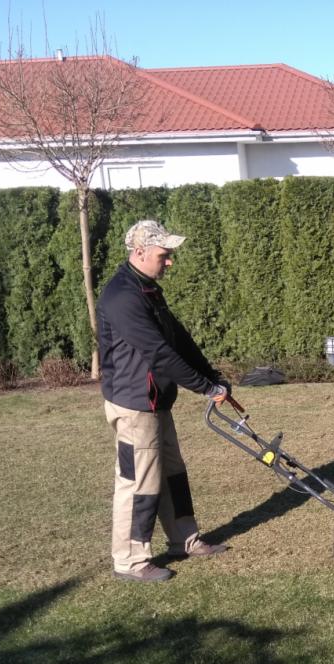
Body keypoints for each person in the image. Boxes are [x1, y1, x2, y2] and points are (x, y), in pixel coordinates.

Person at [97, 219, 231, 582]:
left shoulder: (147, 289)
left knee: (172, 473)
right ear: (139, 253)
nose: (169, 261)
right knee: (139, 481)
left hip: (156, 401)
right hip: (134, 403)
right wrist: (204, 388)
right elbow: (158, 354)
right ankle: (130, 560)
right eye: (164, 255)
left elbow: (178, 338)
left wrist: (211, 375)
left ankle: (184, 539)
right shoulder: (123, 296)